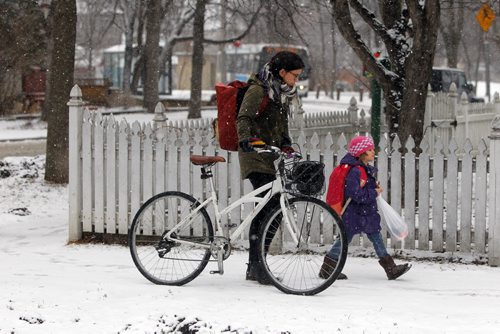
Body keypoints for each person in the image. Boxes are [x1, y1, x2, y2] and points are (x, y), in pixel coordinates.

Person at [236, 51, 305, 284]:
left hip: (269, 154)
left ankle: (256, 265)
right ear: (282, 73)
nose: (296, 80)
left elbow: (281, 126)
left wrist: (286, 145)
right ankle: (257, 266)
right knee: (270, 206)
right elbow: (243, 118)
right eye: (294, 75)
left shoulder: (280, 94)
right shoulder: (258, 90)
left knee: (270, 209)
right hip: (254, 154)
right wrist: (247, 140)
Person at [319, 136, 411, 280]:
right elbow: (355, 193)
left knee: (371, 237)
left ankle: (328, 268)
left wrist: (373, 187)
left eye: (372, 149)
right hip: (356, 213)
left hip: (363, 213)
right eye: (369, 150)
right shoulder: (356, 170)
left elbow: (361, 188)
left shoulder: (362, 168)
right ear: (361, 153)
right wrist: (374, 192)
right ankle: (390, 269)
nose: (373, 152)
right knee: (347, 240)